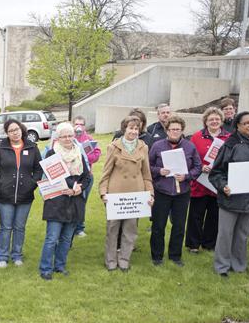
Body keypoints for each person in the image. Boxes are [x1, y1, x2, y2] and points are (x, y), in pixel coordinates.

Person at [208, 112, 249, 277]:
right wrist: (224, 186)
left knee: (243, 235)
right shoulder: (230, 145)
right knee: (225, 234)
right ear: (238, 126)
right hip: (231, 198)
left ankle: (239, 265)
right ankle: (222, 266)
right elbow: (215, 173)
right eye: (246, 123)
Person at [99, 116, 154, 271]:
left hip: (135, 197)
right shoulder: (113, 147)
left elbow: (146, 174)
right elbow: (106, 173)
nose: (133, 131)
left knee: (130, 231)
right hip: (116, 196)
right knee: (112, 230)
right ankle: (110, 260)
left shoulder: (144, 147)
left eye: (136, 129)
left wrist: (150, 194)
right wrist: (103, 193)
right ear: (124, 129)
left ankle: (124, 259)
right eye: (131, 128)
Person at [38, 122, 91, 280]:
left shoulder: (79, 154)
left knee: (67, 238)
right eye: (64, 136)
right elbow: (56, 175)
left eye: (70, 135)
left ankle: (60, 266)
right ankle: (46, 268)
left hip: (75, 201)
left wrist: (80, 188)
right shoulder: (52, 153)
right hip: (57, 200)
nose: (68, 139)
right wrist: (72, 185)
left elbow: (87, 176)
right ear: (58, 138)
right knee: (52, 238)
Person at [148, 116, 202, 266]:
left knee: (178, 225)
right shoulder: (157, 146)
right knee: (158, 225)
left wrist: (187, 176)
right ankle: (157, 256)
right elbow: (148, 166)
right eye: (172, 129)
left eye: (178, 129)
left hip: (182, 193)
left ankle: (175, 255)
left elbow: (197, 167)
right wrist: (159, 171)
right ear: (167, 130)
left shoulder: (189, 146)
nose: (175, 132)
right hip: (162, 191)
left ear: (182, 130)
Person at [0, 119, 42, 268]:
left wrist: (32, 184)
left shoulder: (32, 147)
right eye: (11, 131)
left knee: (19, 227)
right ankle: (3, 256)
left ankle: (17, 255)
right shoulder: (0, 147)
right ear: (7, 133)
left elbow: (39, 169)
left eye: (17, 129)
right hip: (4, 196)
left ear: (21, 129)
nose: (15, 133)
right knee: (6, 227)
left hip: (25, 196)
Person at [185, 107, 231, 254]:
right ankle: (193, 244)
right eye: (211, 119)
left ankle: (209, 243)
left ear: (221, 120)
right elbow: (190, 157)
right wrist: (201, 167)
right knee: (196, 214)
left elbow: (231, 158)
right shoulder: (196, 137)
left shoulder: (229, 138)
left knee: (214, 215)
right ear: (205, 121)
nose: (214, 121)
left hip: (217, 183)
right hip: (199, 182)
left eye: (217, 119)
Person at [72, 115, 101, 238]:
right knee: (71, 202)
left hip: (86, 176)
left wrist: (83, 155)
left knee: (82, 201)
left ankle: (79, 228)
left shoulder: (89, 139)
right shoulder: (69, 137)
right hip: (72, 177)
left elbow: (95, 156)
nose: (79, 126)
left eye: (82, 124)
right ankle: (70, 227)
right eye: (77, 124)